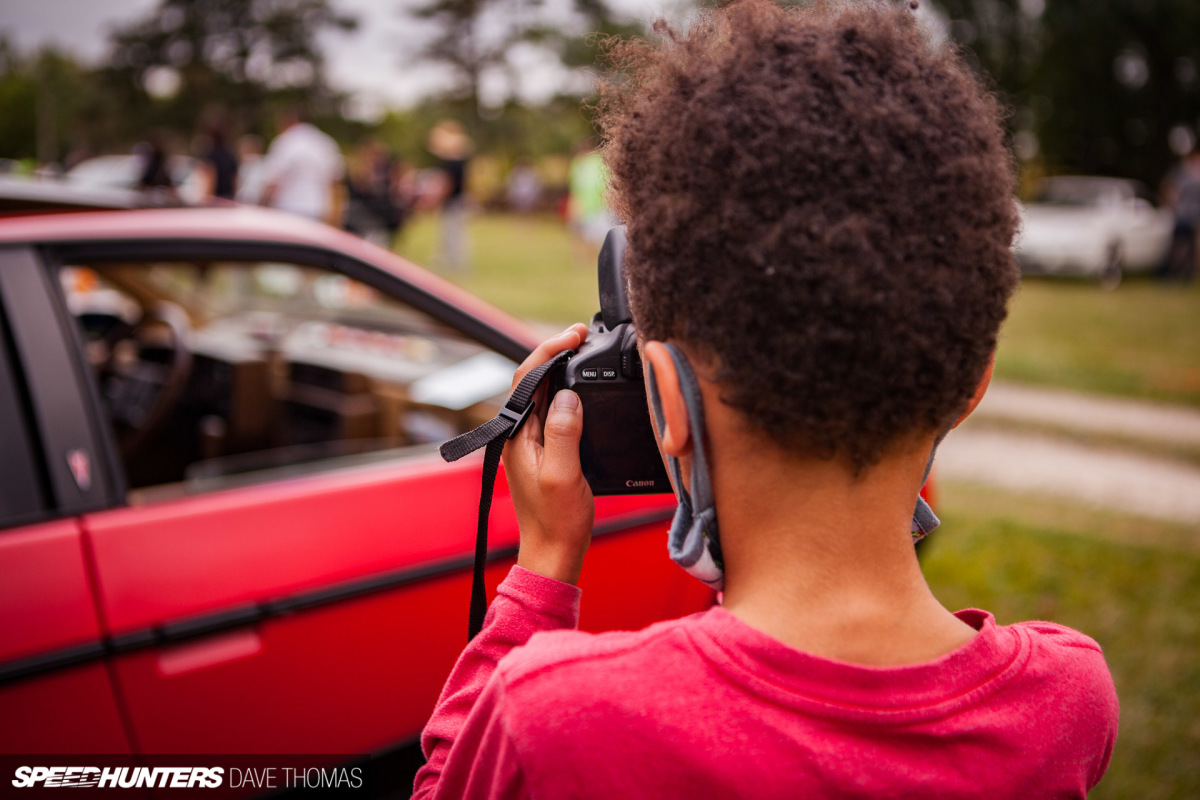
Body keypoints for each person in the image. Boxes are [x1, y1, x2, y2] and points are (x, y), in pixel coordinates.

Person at [413, 2, 1119, 798]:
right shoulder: (1071, 698)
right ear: (972, 387)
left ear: (667, 404)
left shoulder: (558, 720)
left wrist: (541, 572)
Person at [259, 106, 344, 225]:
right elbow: (336, 183)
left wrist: (260, 208)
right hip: (318, 211)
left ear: (289, 121)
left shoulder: (285, 142)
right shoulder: (326, 143)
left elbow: (272, 182)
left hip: (287, 210)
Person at [427, 120, 472, 272]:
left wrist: (439, 198)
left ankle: (456, 264)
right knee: (450, 234)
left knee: (453, 234)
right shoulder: (458, 161)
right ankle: (447, 261)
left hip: (454, 201)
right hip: (455, 201)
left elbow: (449, 183)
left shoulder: (455, 162)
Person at [1161, 146, 1200, 282]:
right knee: (1178, 246)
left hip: (1192, 217)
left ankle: (1187, 274)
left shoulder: (1195, 174)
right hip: (1181, 216)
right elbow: (1169, 187)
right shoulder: (1181, 172)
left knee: (1190, 249)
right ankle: (1174, 272)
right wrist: (1173, 205)